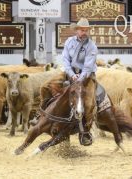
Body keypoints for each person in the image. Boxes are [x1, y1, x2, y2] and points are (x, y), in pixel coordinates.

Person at [39, 18, 98, 146]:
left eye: (86, 30)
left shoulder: (91, 46)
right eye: (82, 30)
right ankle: (41, 116)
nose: (84, 32)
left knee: (87, 103)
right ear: (77, 30)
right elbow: (65, 60)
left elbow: (88, 67)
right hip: (70, 73)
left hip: (87, 76)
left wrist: (79, 79)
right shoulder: (69, 42)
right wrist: (71, 74)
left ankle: (85, 132)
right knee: (46, 87)